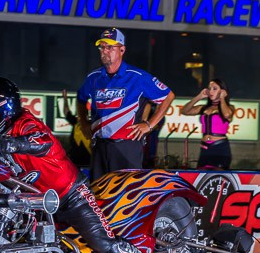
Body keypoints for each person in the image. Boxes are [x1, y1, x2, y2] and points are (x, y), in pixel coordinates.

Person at [0, 77, 176, 253]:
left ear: (5, 107)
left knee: (104, 243)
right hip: (33, 205)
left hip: (70, 196)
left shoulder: (25, 123)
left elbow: (40, 140)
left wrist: (12, 144)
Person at [77, 28, 175, 181]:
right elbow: (81, 98)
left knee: (126, 191)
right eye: (102, 47)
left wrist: (149, 125)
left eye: (110, 47)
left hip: (127, 147)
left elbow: (168, 96)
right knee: (98, 191)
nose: (104, 51)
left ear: (122, 50)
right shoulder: (93, 77)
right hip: (99, 146)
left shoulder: (138, 77)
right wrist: (83, 121)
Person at [180, 79, 234, 169]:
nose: (211, 91)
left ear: (222, 91)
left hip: (220, 148)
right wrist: (199, 97)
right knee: (201, 174)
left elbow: (227, 114)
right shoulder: (204, 108)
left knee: (218, 175)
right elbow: (184, 111)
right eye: (209, 88)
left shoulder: (229, 108)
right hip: (205, 148)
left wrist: (222, 98)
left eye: (214, 89)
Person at [60, 89, 91, 167]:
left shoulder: (92, 123)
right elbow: (67, 113)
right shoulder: (76, 122)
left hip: (89, 160)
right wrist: (65, 99)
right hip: (74, 161)